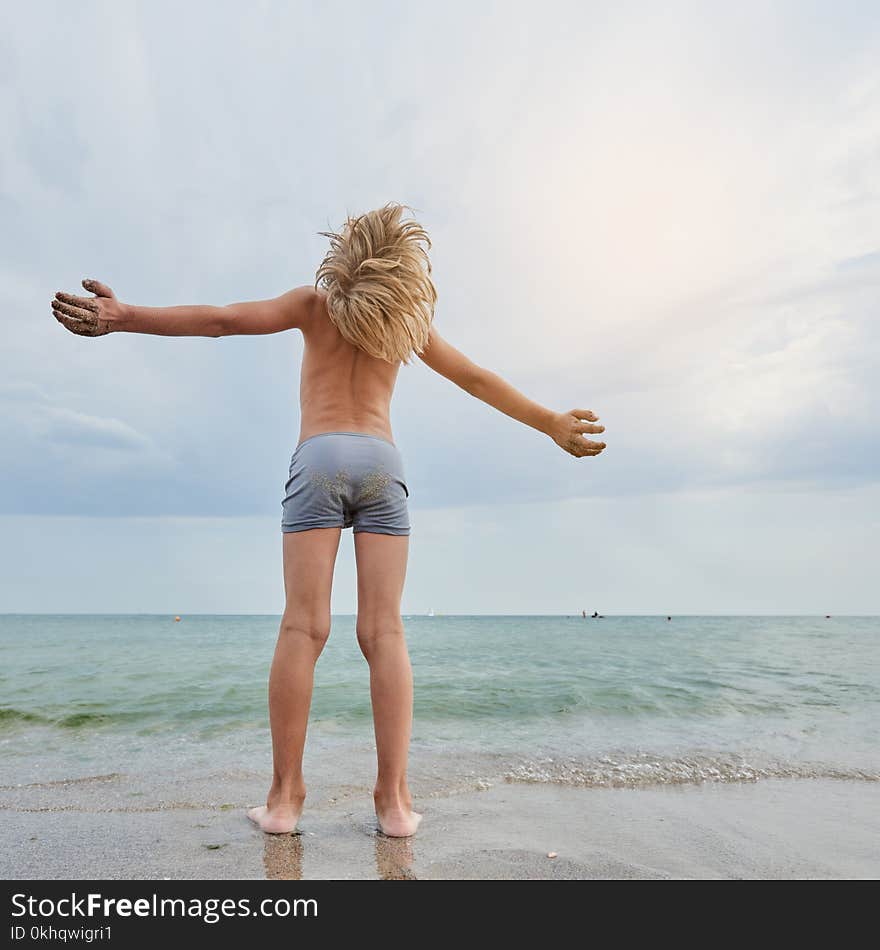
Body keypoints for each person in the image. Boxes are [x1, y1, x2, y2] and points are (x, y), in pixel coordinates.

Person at [50, 202, 607, 837]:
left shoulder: (314, 306)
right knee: (385, 633)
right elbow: (477, 380)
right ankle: (393, 804)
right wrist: (552, 424)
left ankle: (285, 800)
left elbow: (222, 321)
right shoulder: (403, 324)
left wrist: (125, 318)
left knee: (302, 629)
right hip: (379, 461)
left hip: (318, 459)